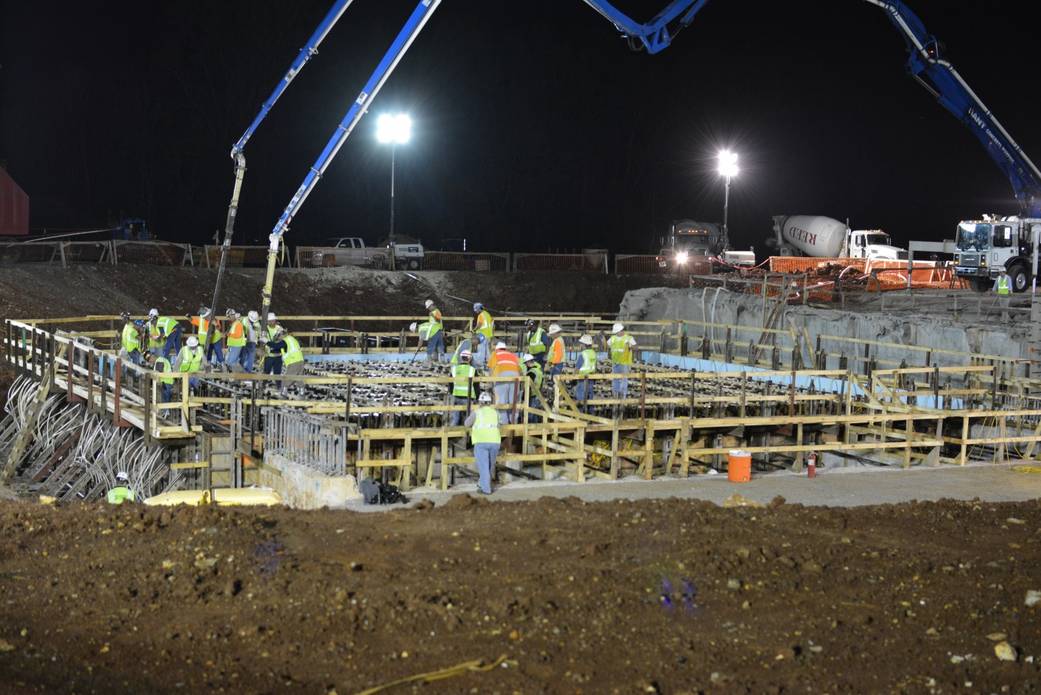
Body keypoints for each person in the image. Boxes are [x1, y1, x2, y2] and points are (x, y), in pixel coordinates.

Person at [465, 391, 500, 495]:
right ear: (490, 402)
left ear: (480, 402)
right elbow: (499, 424)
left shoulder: (476, 412)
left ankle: (486, 489)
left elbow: (466, 424)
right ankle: (481, 483)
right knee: (489, 466)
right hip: (495, 442)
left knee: (484, 466)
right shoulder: (495, 412)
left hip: (481, 441)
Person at [488, 341, 521, 424]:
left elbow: (490, 370)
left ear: (497, 349)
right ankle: (514, 422)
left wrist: (491, 383)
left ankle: (504, 424)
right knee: (513, 401)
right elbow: (520, 369)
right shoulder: (513, 355)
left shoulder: (495, 354)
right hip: (515, 378)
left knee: (502, 401)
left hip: (501, 377)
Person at [607, 322, 637, 399]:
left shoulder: (629, 338)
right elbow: (608, 346)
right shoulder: (612, 338)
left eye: (617, 332)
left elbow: (636, 347)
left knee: (624, 379)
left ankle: (622, 396)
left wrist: (630, 346)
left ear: (621, 330)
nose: (616, 333)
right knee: (615, 379)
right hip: (615, 362)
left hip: (625, 363)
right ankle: (615, 395)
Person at [449, 349, 477, 426]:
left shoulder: (454, 369)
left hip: (456, 397)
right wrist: (477, 397)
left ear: (461, 358)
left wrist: (452, 394)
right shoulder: (473, 370)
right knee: (469, 419)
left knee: (455, 418)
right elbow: (476, 385)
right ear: (469, 359)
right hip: (468, 398)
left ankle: (451, 435)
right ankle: (466, 435)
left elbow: (450, 384)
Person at [574, 334, 597, 411]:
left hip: (582, 380)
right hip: (591, 379)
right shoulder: (593, 353)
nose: (580, 345)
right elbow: (595, 367)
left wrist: (573, 377)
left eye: (581, 344)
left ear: (584, 345)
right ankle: (591, 416)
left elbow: (577, 368)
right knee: (590, 399)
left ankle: (580, 417)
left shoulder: (583, 354)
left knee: (580, 399)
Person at [279, 327, 305, 392]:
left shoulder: (285, 341)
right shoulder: (291, 339)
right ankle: (301, 393)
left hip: (293, 361)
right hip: (300, 360)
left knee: (287, 378)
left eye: (279, 336)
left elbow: (276, 347)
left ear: (282, 335)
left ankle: (283, 393)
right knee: (299, 378)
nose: (278, 338)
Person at [470, 303, 494, 367]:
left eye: (476, 309)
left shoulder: (481, 315)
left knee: (481, 348)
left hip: (482, 334)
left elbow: (479, 324)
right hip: (488, 334)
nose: (476, 311)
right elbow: (492, 323)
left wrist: (474, 330)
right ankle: (490, 363)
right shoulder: (487, 314)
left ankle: (480, 363)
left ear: (479, 308)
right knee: (487, 350)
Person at [522, 352, 543, 421]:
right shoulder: (538, 370)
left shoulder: (531, 373)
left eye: (526, 364)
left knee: (530, 415)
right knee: (535, 414)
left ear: (528, 363)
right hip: (538, 395)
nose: (525, 365)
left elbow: (528, 386)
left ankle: (529, 430)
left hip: (532, 395)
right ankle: (536, 430)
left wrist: (523, 396)